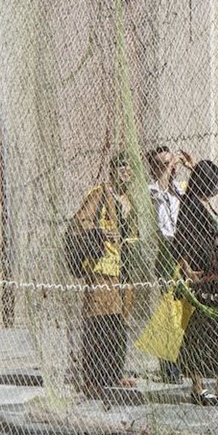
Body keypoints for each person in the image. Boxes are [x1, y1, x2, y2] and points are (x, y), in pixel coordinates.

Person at [73, 152, 140, 399]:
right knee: (97, 322)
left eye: (129, 168)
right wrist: (102, 232)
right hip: (103, 267)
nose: (125, 172)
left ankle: (114, 373)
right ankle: (92, 379)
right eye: (121, 167)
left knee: (119, 323)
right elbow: (81, 221)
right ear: (112, 170)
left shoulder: (130, 200)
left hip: (125, 270)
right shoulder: (100, 194)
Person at [171, 159, 218, 405]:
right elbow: (181, 242)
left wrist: (191, 165)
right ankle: (198, 387)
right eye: (215, 180)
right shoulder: (189, 206)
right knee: (199, 333)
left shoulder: (207, 204)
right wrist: (188, 271)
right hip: (203, 276)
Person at [147, 145, 191, 384]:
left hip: (185, 252)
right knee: (169, 312)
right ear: (154, 168)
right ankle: (169, 368)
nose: (168, 168)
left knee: (186, 311)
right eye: (162, 164)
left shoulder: (181, 190)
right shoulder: (150, 191)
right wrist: (164, 172)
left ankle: (186, 363)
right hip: (166, 253)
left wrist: (188, 166)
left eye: (169, 163)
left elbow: (203, 190)